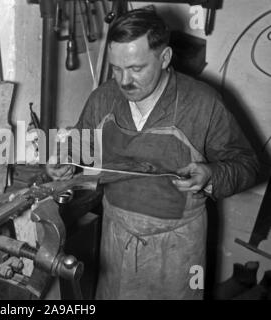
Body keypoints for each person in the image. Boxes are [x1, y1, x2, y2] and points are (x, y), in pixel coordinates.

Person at [46, 8, 259, 299]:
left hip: (179, 247)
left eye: (136, 68)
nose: (124, 81)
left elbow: (248, 165)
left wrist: (212, 174)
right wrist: (64, 159)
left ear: (165, 58)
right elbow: (81, 145)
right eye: (116, 69)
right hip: (116, 237)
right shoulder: (103, 98)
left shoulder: (202, 103)